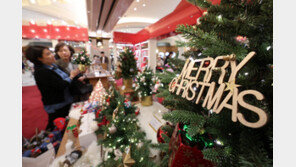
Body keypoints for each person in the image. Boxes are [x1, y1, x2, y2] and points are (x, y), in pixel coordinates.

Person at [25, 45, 81, 130]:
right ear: (39, 58)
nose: (52, 55)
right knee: (60, 127)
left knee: (70, 125)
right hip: (58, 105)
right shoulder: (41, 72)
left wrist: (75, 75)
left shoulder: (53, 66)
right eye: (48, 54)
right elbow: (60, 85)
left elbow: (67, 76)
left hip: (68, 99)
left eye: (51, 52)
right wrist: (71, 77)